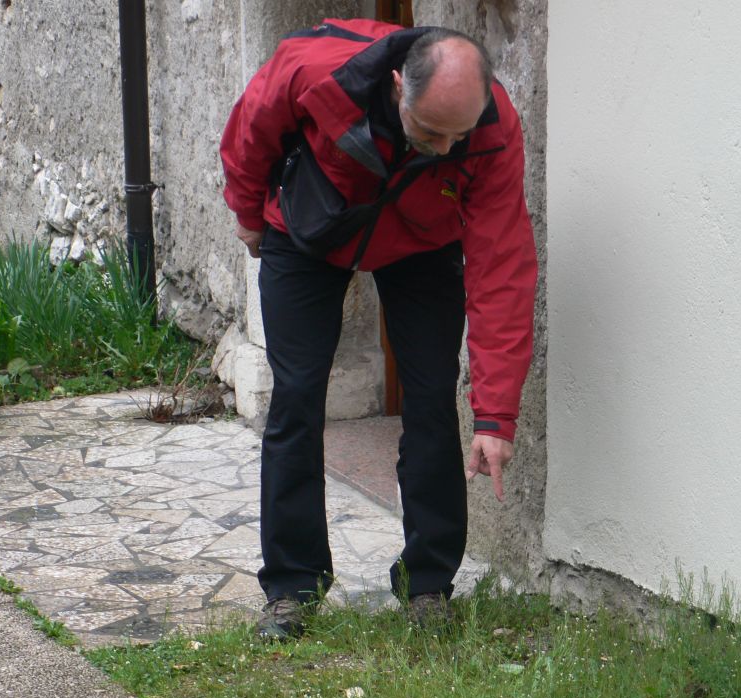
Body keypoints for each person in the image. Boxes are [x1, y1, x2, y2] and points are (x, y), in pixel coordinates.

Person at [219, 18, 537, 639]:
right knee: (298, 396)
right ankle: (292, 587)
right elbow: (251, 128)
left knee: (431, 396)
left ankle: (428, 585)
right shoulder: (316, 69)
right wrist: (248, 210)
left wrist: (497, 415)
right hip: (311, 225)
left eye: (457, 136)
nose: (445, 149)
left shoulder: (493, 128)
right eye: (430, 132)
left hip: (421, 239)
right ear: (397, 87)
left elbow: (502, 264)